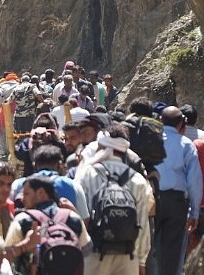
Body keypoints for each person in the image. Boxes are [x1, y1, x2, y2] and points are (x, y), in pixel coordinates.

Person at [74, 124, 152, 275]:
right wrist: (141, 260)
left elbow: (79, 216)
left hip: (93, 253)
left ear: (104, 147)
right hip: (127, 255)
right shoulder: (138, 180)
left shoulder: (86, 174)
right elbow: (143, 225)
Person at [4, 176, 90, 275]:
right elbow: (87, 248)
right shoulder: (73, 217)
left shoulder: (23, 219)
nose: (23, 199)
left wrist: (26, 246)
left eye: (26, 194)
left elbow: (6, 255)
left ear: (40, 193)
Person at [154, 106, 203, 275]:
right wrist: (194, 213)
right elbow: (194, 181)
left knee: (149, 248)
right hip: (177, 203)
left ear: (161, 120)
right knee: (173, 251)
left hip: (152, 199)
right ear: (182, 123)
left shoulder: (152, 139)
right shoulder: (186, 144)